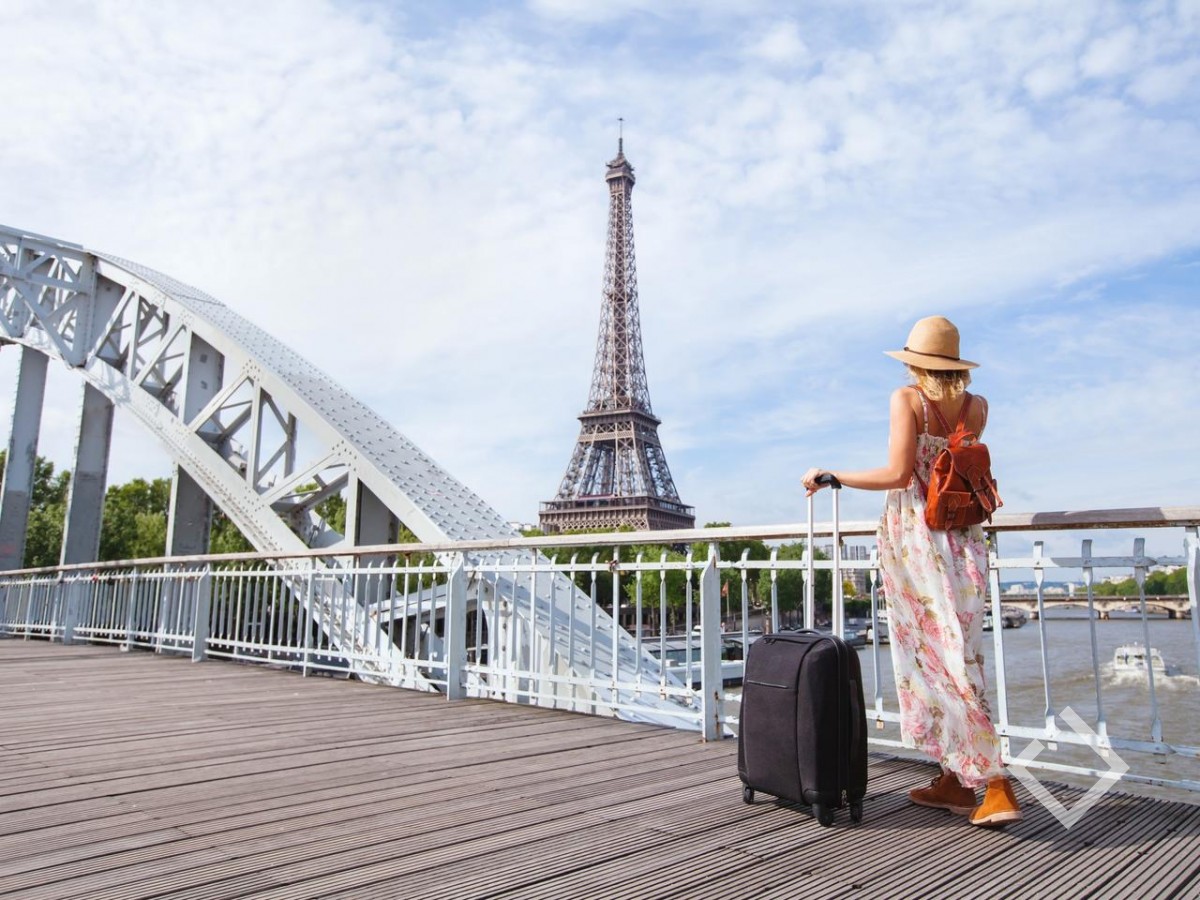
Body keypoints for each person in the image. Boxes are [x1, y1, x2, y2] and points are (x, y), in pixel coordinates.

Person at [800, 315, 1021, 828]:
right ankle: (955, 780)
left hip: (919, 541)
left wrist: (832, 475)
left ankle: (996, 783)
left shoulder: (908, 400)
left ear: (914, 362)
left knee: (938, 663)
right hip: (964, 541)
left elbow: (899, 474)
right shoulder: (979, 407)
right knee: (958, 657)